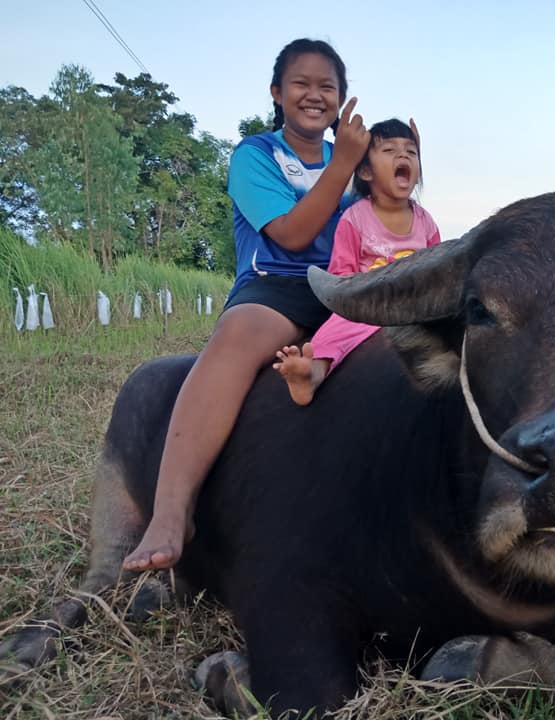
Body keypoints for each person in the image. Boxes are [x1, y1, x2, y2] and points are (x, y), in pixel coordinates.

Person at [123, 38, 375, 571]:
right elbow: (292, 234)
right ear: (277, 93)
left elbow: (390, 220)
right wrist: (347, 164)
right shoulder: (255, 155)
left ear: (342, 100)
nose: (314, 95)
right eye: (301, 84)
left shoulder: (352, 164)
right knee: (238, 338)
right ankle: (172, 510)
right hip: (278, 287)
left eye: (327, 87)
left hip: (347, 289)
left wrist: (401, 158)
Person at [274, 119, 440, 405]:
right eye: (389, 150)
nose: (403, 156)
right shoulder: (355, 219)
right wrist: (362, 303)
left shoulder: (426, 222)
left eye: (411, 152)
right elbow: (342, 275)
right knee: (336, 330)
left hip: (414, 307)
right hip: (369, 307)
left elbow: (438, 271)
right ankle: (311, 373)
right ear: (365, 171)